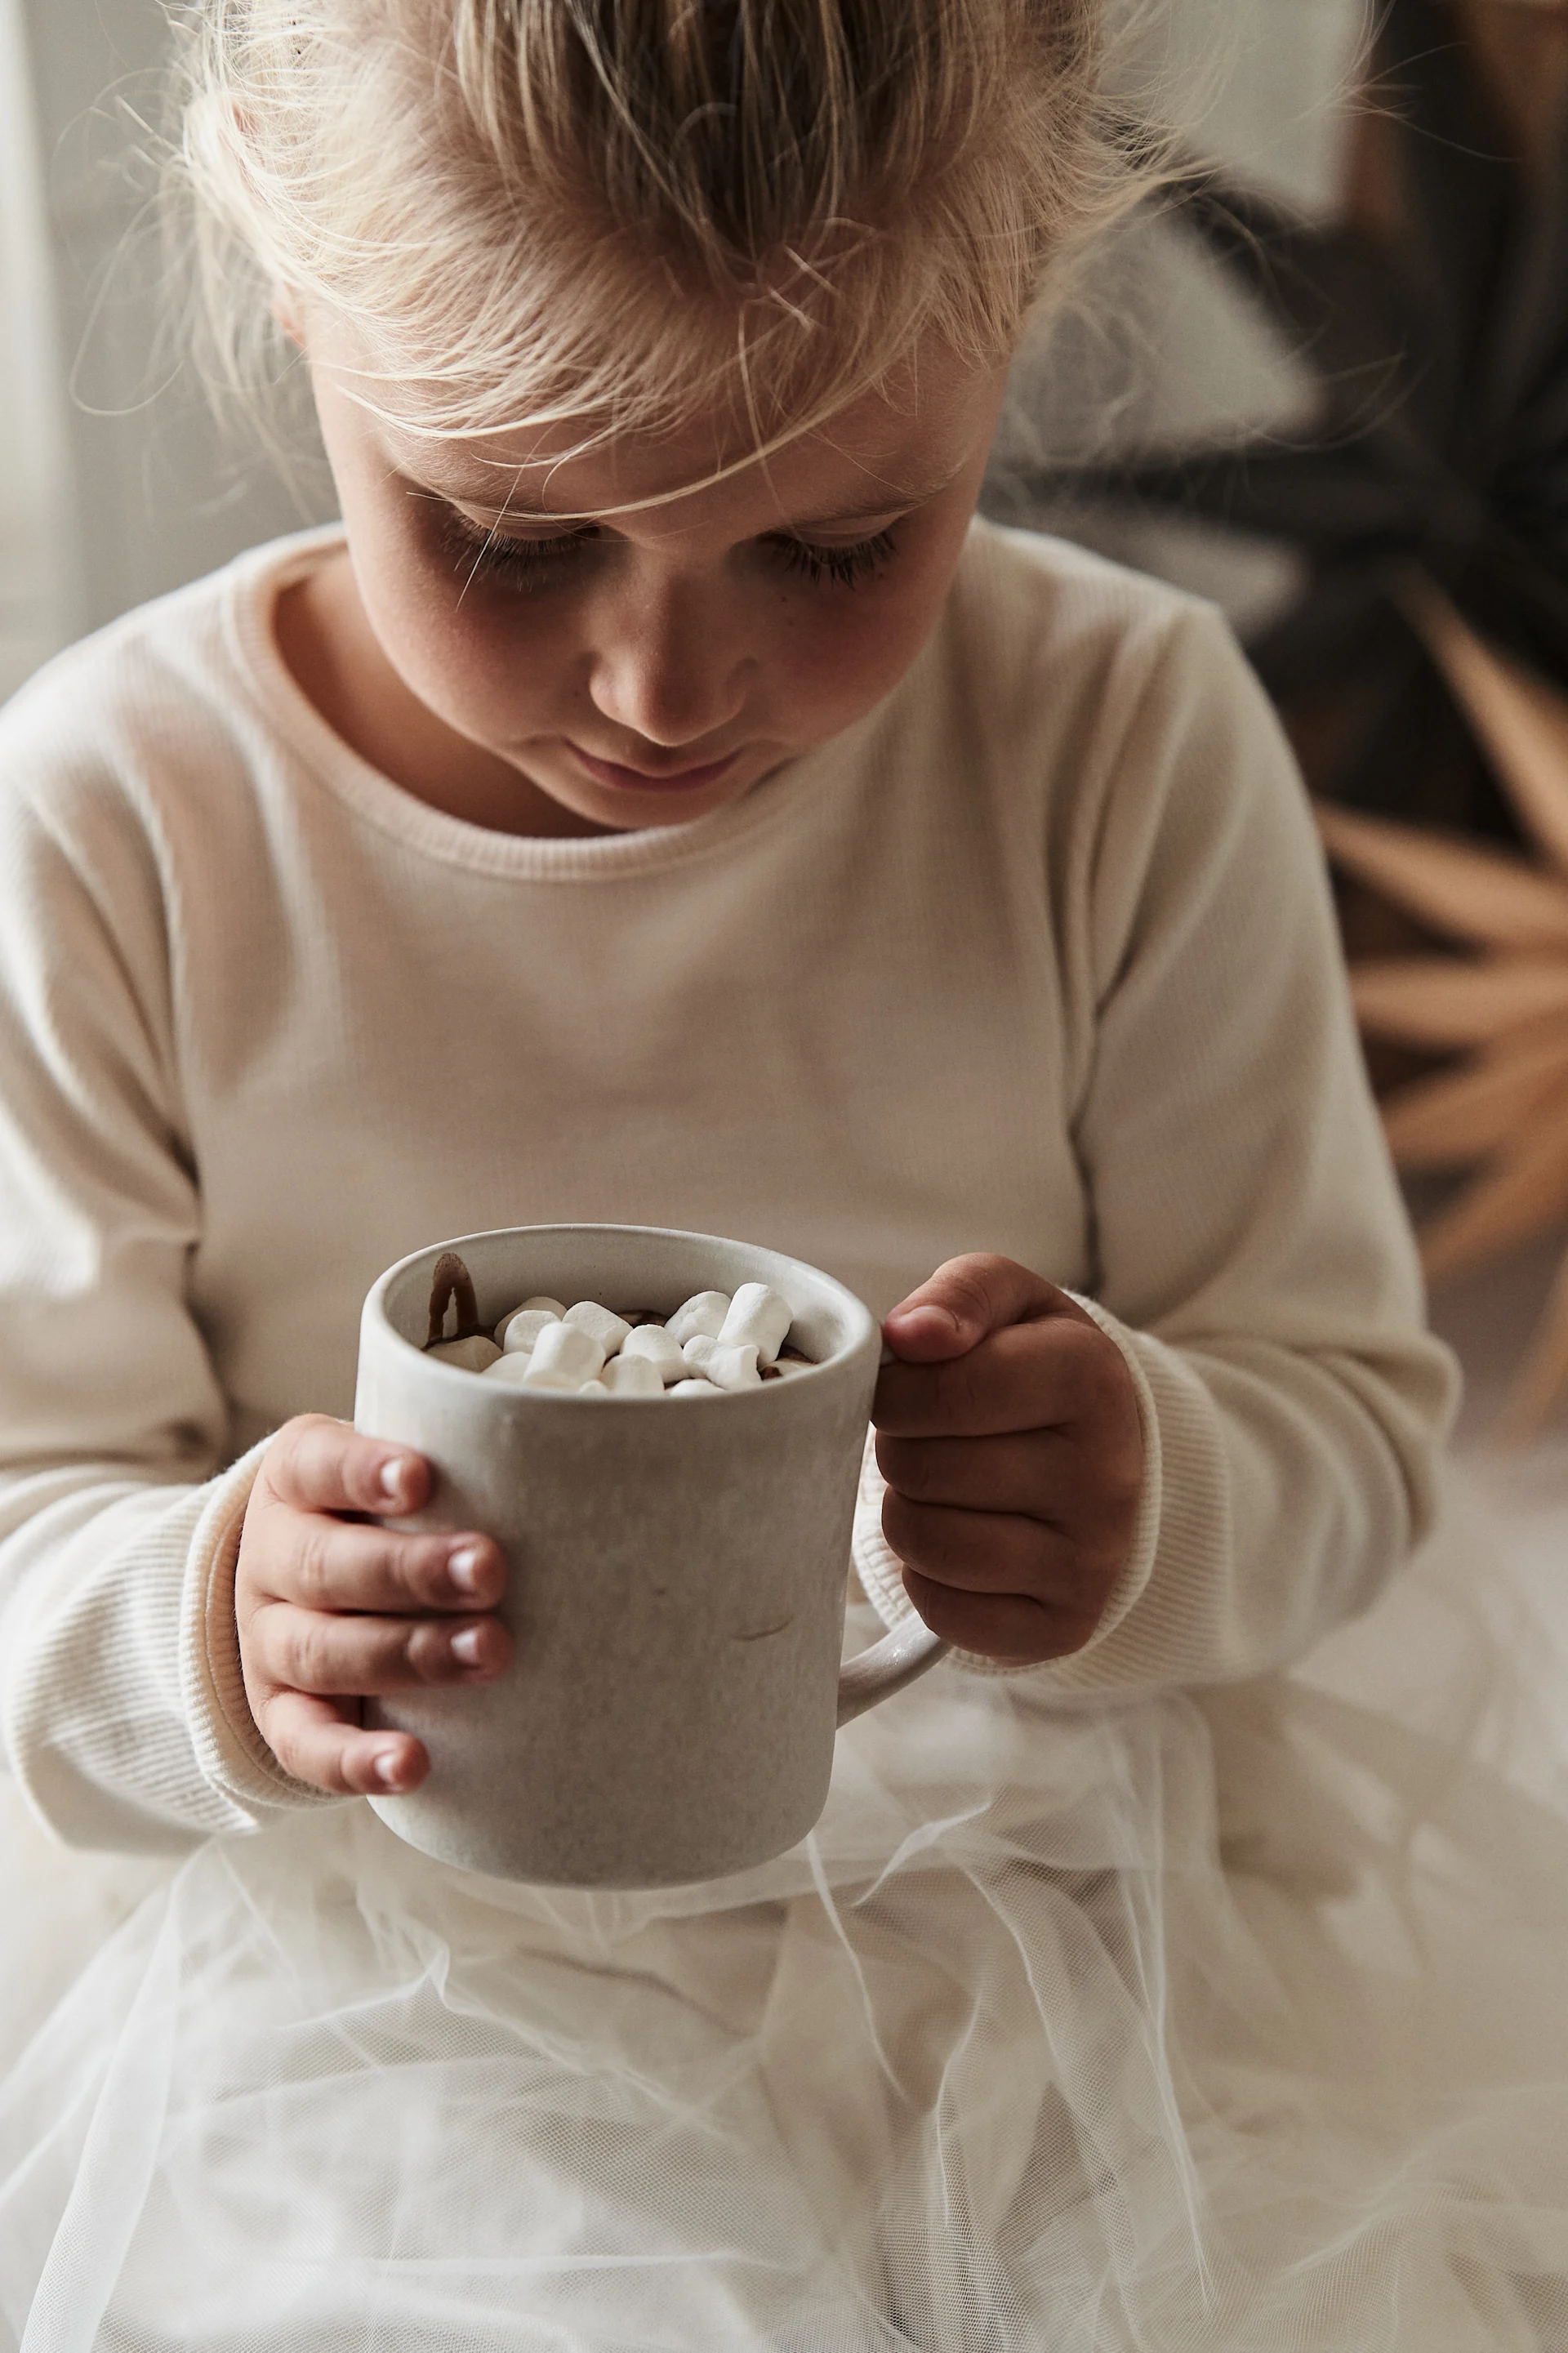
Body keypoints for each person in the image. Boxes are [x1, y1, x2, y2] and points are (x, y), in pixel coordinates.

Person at [2, 3, 1567, 2346]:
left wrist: (1150, 1482)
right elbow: (28, 1521)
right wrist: (219, 1620)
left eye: (834, 544)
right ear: (286, 265)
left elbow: (1348, 1415)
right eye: (516, 533)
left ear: (1021, 311)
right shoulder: (117, 821)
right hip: (401, 1967)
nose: (663, 681)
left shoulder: (1117, 745)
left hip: (1050, 1928)